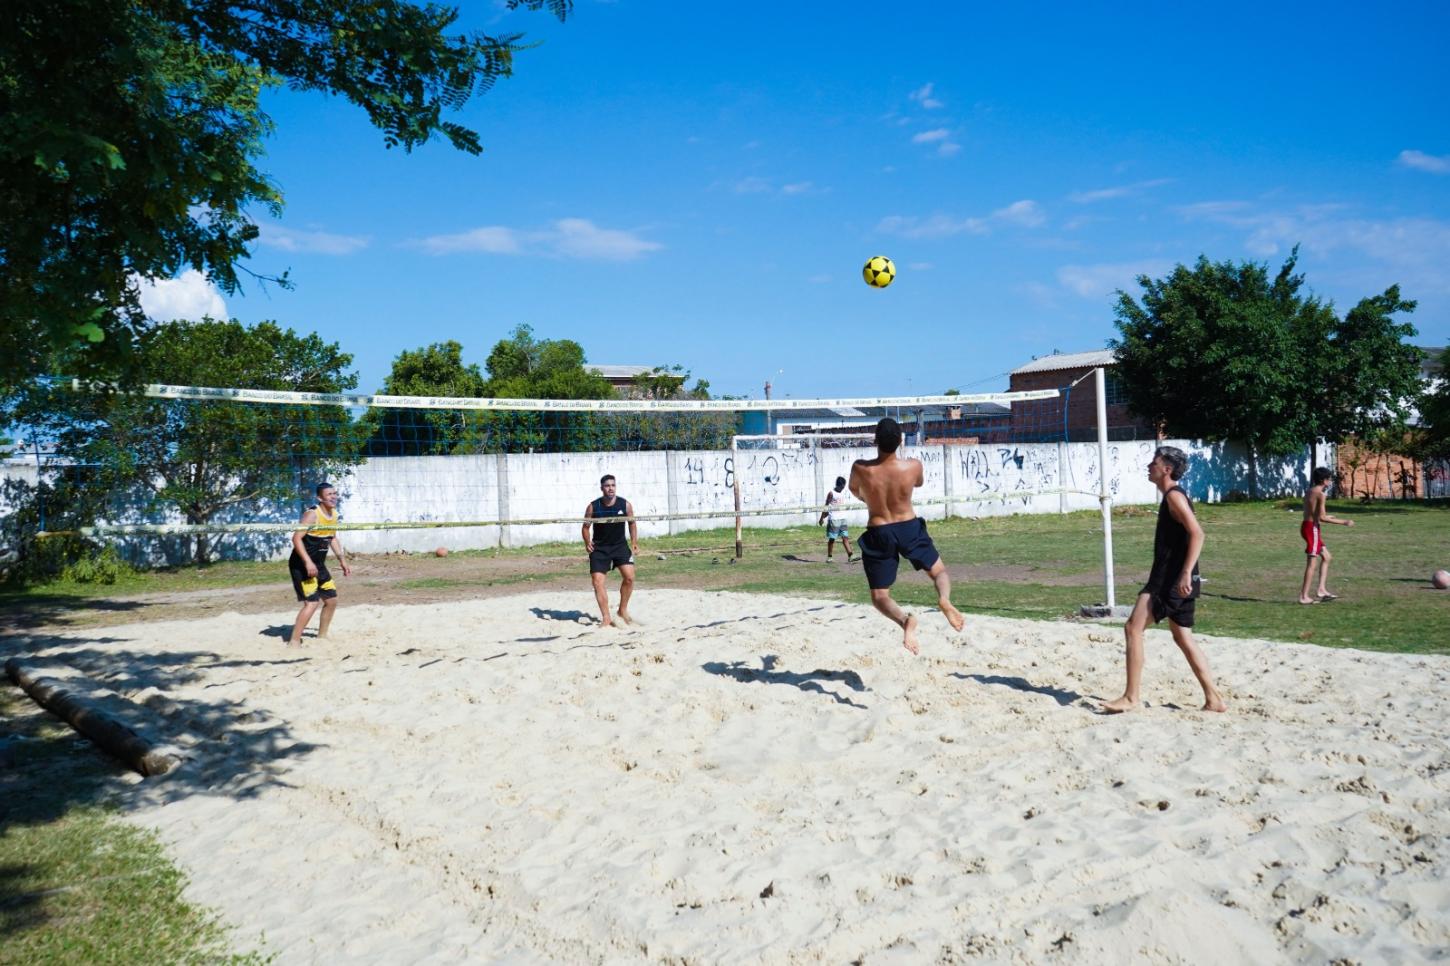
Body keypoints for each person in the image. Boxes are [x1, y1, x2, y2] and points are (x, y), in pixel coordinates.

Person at [1103, 447, 1226, 714]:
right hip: (1178, 579)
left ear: (1166, 469)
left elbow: (1198, 534)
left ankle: (1131, 698)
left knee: (1133, 628)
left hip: (1169, 580)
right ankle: (1214, 699)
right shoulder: (1173, 496)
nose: (1149, 466)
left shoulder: (1174, 497)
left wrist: (1184, 573)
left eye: (1154, 463)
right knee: (1183, 637)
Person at [848, 418, 965, 655]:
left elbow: (854, 489)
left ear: (875, 440)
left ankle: (904, 621)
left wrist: (868, 498)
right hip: (908, 526)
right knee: (939, 572)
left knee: (880, 596)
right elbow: (918, 483)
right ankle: (944, 599)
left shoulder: (860, 468)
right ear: (901, 441)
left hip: (879, 528)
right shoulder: (913, 466)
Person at [286, 483, 350, 647]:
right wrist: (308, 562)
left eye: (335, 493)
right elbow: (296, 539)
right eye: (329, 494)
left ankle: (322, 636)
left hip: (319, 565)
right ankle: (294, 641)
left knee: (332, 600)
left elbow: (332, 538)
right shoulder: (312, 514)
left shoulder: (334, 514)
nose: (333, 496)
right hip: (302, 565)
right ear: (320, 498)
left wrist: (342, 559)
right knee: (312, 603)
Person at [582, 474, 638, 628]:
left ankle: (622, 610)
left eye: (613, 485)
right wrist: (587, 542)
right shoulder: (593, 506)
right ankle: (606, 617)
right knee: (597, 582)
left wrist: (634, 542)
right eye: (607, 486)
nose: (610, 488)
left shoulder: (625, 504)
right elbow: (585, 528)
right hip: (600, 548)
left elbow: (632, 523)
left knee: (630, 578)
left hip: (620, 545)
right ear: (602, 488)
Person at [1299, 466, 1354, 604]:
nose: (1330, 481)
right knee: (1312, 563)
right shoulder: (1321, 494)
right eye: (1329, 479)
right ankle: (1304, 597)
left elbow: (1313, 513)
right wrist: (1344, 522)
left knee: (1327, 557)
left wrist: (1324, 516)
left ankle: (1321, 590)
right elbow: (1322, 518)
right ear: (1324, 480)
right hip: (1312, 529)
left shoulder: (1310, 491)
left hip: (1307, 526)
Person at [817, 475, 855, 562]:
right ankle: (829, 557)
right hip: (834, 519)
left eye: (843, 487)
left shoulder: (842, 493)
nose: (842, 488)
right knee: (832, 539)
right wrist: (821, 518)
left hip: (843, 519)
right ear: (838, 485)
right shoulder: (831, 493)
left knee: (845, 537)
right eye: (842, 486)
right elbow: (826, 506)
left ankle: (850, 556)